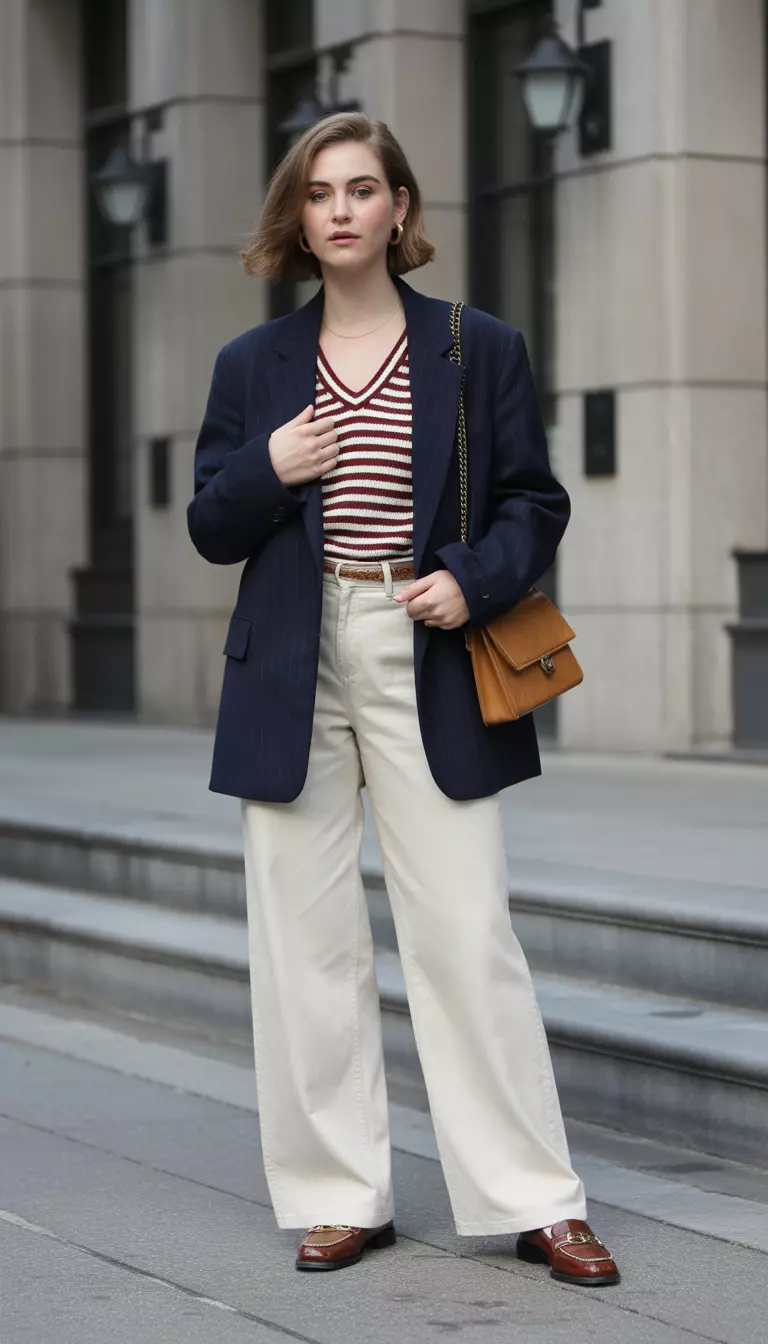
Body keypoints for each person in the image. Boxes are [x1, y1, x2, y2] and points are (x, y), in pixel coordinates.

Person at [187, 111, 619, 1287]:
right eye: (319, 192)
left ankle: (537, 1199)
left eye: (362, 188)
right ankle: (340, 1194)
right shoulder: (253, 367)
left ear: (400, 209)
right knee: (305, 943)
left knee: (467, 932)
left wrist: (467, 581)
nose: (339, 210)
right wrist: (269, 468)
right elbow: (208, 524)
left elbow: (535, 502)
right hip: (291, 653)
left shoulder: (478, 348)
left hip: (422, 642)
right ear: (299, 215)